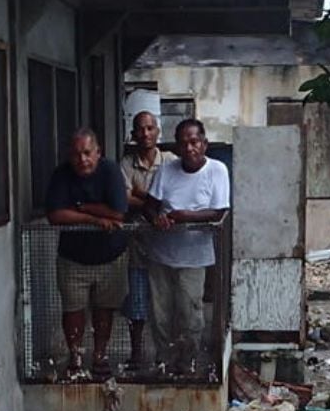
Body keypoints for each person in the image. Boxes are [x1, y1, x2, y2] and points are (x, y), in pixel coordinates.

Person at [143, 118, 230, 376]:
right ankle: (164, 361)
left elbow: (218, 212)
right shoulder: (167, 170)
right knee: (160, 314)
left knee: (191, 313)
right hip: (161, 254)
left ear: (204, 144)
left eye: (194, 142)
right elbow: (150, 205)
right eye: (183, 144)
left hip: (195, 256)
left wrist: (183, 216)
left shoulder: (217, 170)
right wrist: (156, 218)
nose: (189, 148)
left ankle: (188, 360)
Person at [44, 126, 130, 378]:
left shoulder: (111, 171)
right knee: (73, 309)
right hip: (73, 257)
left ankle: (100, 357)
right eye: (76, 154)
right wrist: (93, 218)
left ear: (98, 152)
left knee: (105, 309)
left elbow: (118, 212)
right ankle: (76, 357)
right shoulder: (62, 174)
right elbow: (55, 215)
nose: (82, 159)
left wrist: (80, 207)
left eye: (87, 153)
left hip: (111, 255)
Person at [119, 111, 163, 370]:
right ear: (133, 134)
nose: (145, 134)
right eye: (140, 129)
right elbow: (123, 199)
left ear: (157, 131)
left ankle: (165, 356)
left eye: (150, 128)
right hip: (137, 247)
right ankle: (137, 356)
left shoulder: (170, 161)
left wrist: (140, 194)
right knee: (136, 306)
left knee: (165, 306)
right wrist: (153, 200)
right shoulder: (126, 164)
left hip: (167, 248)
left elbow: (171, 199)